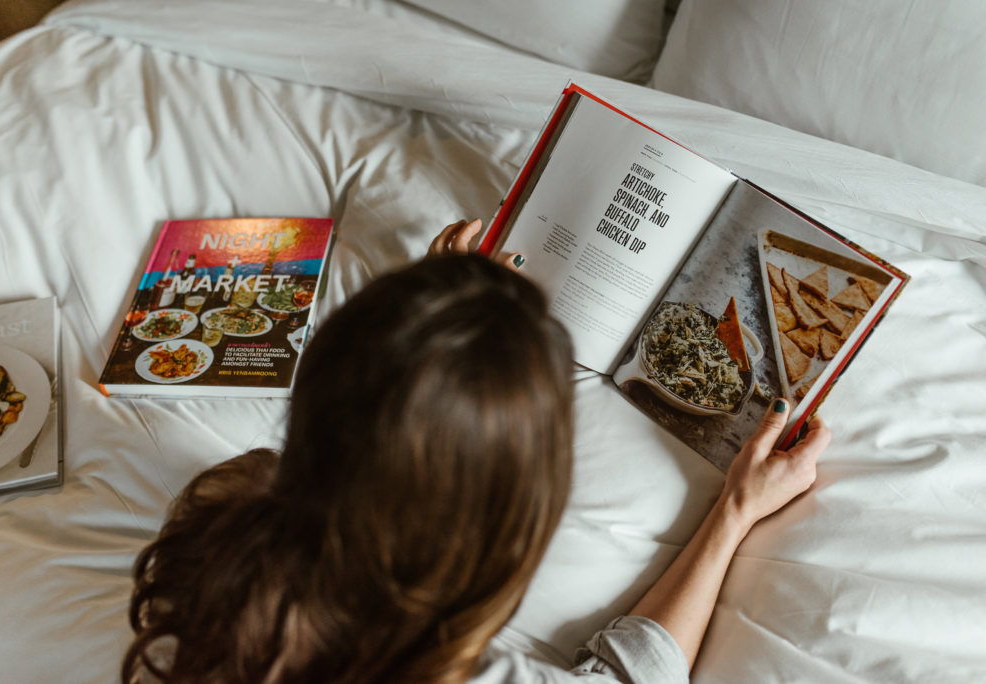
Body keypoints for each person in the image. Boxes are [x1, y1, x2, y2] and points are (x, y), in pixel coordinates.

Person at [122, 220, 830, 683]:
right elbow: (634, 674)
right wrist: (735, 511)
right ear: (509, 528)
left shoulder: (214, 536)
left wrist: (434, 325)